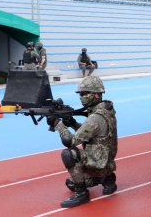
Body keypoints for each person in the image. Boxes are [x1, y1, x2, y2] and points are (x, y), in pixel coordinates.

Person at [49, 76, 117, 208]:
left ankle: (82, 194)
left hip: (98, 162)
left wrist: (57, 124)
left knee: (68, 154)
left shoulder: (95, 117)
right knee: (70, 183)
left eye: (85, 94)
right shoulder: (106, 110)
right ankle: (107, 178)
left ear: (96, 94)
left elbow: (71, 141)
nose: (81, 97)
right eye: (81, 94)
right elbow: (91, 133)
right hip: (106, 162)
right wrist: (73, 123)